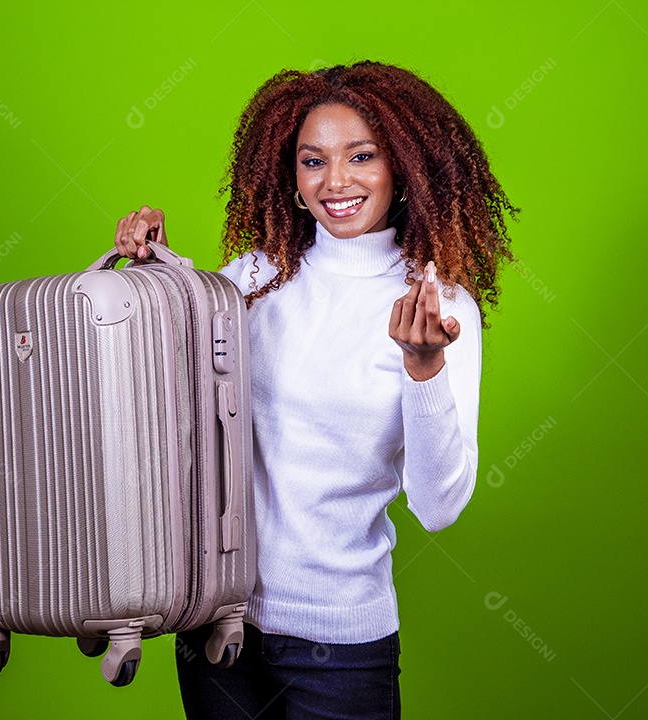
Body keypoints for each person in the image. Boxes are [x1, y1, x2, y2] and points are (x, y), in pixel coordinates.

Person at [112, 60, 518, 720]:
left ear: (403, 167)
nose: (336, 182)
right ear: (290, 176)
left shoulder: (436, 307)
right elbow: (179, 400)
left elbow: (439, 505)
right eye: (312, 161)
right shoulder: (251, 279)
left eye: (363, 156)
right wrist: (156, 272)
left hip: (339, 642)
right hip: (216, 623)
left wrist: (423, 369)